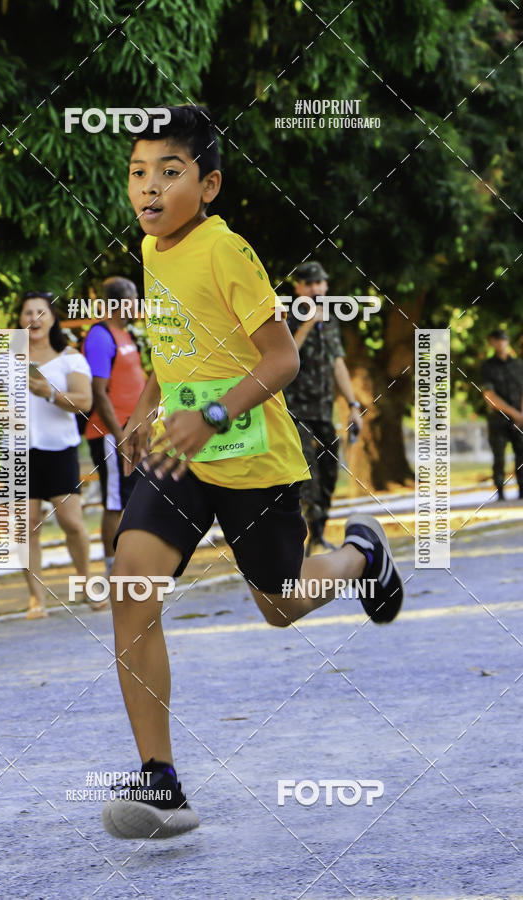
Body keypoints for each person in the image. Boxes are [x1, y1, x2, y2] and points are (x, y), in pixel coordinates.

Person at [100, 105, 404, 841]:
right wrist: (150, 405)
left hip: (254, 460)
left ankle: (362, 555)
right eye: (138, 172)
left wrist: (209, 417)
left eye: (168, 173)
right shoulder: (152, 251)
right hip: (186, 459)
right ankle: (161, 784)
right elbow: (184, 352)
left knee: (279, 604)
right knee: (130, 583)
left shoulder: (224, 250)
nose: (148, 188)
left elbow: (280, 357)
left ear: (207, 186)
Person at [0, 291, 99, 618]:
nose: (34, 319)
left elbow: (84, 402)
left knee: (71, 522)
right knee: (26, 525)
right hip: (18, 452)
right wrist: (2, 413)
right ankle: (37, 598)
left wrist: (49, 393)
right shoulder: (6, 357)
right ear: (19, 320)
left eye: (40, 312)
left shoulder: (70, 357)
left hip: (59, 449)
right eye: (27, 313)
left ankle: (87, 584)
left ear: (53, 318)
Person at [284, 261, 362, 553]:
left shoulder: (330, 319)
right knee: (309, 476)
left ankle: (318, 534)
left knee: (329, 472)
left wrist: (353, 404)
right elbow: (285, 356)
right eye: (309, 284)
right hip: (294, 411)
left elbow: (337, 363)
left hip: (323, 410)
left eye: (320, 284)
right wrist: (306, 324)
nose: (315, 289)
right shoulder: (286, 317)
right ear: (299, 288)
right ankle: (310, 538)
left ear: (326, 286)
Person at [82, 276, 149, 577]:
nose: (137, 305)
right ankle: (113, 569)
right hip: (111, 434)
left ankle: (133, 562)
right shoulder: (100, 336)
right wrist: (120, 435)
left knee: (135, 497)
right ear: (123, 302)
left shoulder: (127, 334)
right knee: (114, 501)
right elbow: (99, 391)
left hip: (132, 431)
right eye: (135, 299)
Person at [480, 328, 523, 500]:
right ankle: (501, 494)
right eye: (496, 340)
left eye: (502, 339)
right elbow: (489, 396)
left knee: (521, 455)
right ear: (491, 343)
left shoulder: (518, 365)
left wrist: (521, 415)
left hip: (520, 418)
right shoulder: (487, 367)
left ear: (507, 341)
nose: (500, 343)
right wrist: (513, 413)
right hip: (498, 419)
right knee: (499, 457)